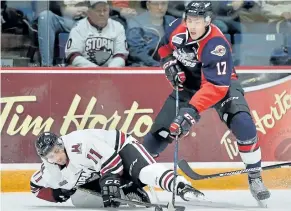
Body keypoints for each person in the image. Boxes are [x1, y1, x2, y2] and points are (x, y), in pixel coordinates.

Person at [142, 1, 270, 207]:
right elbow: (163, 48)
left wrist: (190, 112)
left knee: (244, 125)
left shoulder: (216, 44)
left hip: (222, 85)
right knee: (158, 135)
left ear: (208, 21)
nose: (192, 25)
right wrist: (169, 64)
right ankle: (131, 178)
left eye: (198, 21)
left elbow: (215, 88)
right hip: (188, 87)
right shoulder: (177, 26)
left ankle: (255, 176)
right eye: (189, 20)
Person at [30, 129, 204, 208]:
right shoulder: (49, 171)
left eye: (58, 150)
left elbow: (112, 161)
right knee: (79, 200)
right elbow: (34, 186)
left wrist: (110, 182)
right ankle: (129, 189)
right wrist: (55, 195)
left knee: (145, 172)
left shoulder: (78, 144)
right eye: (51, 156)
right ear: (45, 159)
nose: (57, 157)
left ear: (61, 143)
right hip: (101, 169)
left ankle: (181, 186)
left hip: (120, 148)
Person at [65, 0, 128, 67]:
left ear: (109, 11)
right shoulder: (79, 27)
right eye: (98, 11)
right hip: (85, 72)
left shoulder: (118, 27)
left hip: (111, 72)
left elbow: (121, 55)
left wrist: (110, 71)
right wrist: (96, 70)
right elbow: (73, 55)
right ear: (89, 13)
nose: (102, 14)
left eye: (105, 10)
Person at [37, 0, 88, 66]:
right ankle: (47, 67)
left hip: (87, 20)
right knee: (45, 16)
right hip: (65, 20)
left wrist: (89, 9)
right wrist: (65, 10)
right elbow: (52, 5)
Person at [126, 0, 177, 67]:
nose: (160, 7)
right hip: (144, 66)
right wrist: (157, 64)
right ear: (148, 5)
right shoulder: (136, 23)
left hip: (169, 65)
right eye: (155, 4)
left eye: (163, 3)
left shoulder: (172, 22)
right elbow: (136, 51)